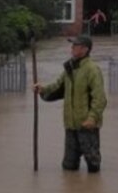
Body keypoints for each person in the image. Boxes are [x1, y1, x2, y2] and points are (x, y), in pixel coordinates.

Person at [33, 34, 107, 173]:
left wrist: (92, 118)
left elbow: (100, 98)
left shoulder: (92, 69)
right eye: (72, 45)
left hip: (87, 125)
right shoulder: (69, 68)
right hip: (71, 124)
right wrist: (42, 89)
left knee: (93, 166)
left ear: (85, 49)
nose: (72, 48)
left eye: (75, 46)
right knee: (69, 166)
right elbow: (57, 86)